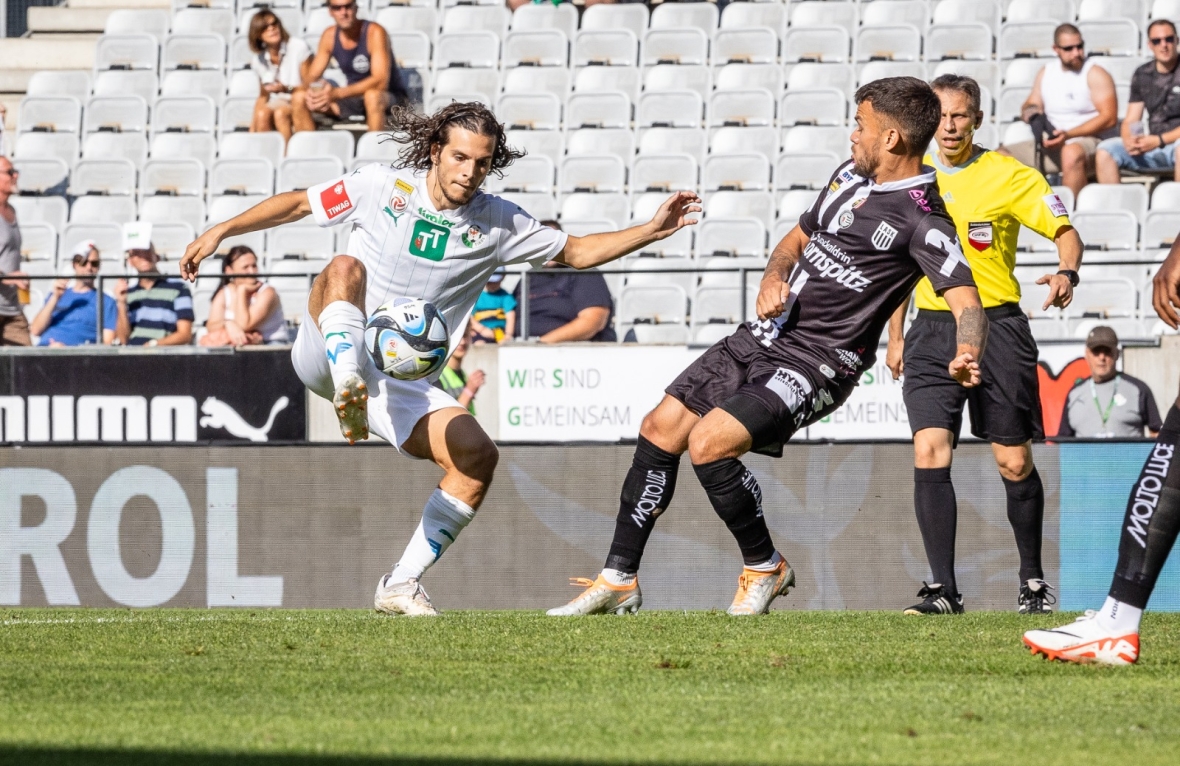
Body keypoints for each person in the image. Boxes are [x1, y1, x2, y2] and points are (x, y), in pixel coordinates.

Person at [178, 101, 701, 616]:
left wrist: (652, 230)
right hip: (329, 348)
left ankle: (399, 585)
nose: (470, 172)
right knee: (343, 266)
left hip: (395, 376)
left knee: (477, 458)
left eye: (481, 162)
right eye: (459, 158)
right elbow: (297, 203)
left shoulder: (498, 223)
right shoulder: (381, 186)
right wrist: (220, 230)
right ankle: (346, 384)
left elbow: (579, 252)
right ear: (434, 152)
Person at [548, 77, 986, 617]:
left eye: (860, 125)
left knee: (710, 443)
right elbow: (796, 240)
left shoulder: (923, 217)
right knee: (660, 427)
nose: (852, 135)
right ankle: (619, 578)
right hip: (763, 336)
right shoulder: (848, 176)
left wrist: (967, 352)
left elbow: (968, 302)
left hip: (820, 361)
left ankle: (765, 566)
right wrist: (771, 278)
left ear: (892, 138)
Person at [885, 75, 1085, 616]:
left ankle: (1033, 582)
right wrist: (896, 333)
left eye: (961, 115)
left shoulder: (1009, 176)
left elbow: (1066, 230)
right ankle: (943, 591)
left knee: (1013, 461)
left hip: (998, 326)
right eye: (942, 115)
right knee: (930, 449)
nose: (950, 126)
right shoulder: (909, 176)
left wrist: (1067, 270)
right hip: (931, 327)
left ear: (977, 119)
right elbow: (899, 264)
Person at [1023, 246, 1180, 665]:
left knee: (1169, 458)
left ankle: (1116, 623)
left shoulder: (1136, 390)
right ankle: (1116, 620)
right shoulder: (1078, 394)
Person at [998, 24, 1117, 197]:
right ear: (1056, 49)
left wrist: (1067, 135)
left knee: (1071, 152)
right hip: (1054, 142)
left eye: (1079, 46)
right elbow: (1031, 103)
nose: (1076, 52)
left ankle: (1066, 217)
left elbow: (1109, 118)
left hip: (1090, 141)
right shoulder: (1047, 72)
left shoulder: (1095, 73)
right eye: (1069, 48)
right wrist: (1033, 115)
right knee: (998, 156)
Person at [292, 1, 408, 133]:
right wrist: (316, 93)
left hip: (389, 97)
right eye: (337, 8)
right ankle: (308, 151)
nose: (343, 12)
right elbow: (311, 77)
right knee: (299, 98)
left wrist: (337, 93)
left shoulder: (374, 32)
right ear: (330, 11)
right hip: (352, 96)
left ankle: (374, 150)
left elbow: (381, 82)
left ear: (356, 8)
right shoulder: (329, 36)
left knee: (372, 97)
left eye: (347, 6)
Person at [1096, 20, 1180, 183]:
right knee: (1106, 151)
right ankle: (1116, 206)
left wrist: (1159, 140)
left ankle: (1176, 205)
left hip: (1173, 143)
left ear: (1177, 40)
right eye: (1157, 41)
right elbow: (1131, 119)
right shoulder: (1143, 74)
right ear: (1150, 45)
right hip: (1152, 144)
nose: (1164, 45)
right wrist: (1130, 141)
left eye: (1169, 39)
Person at [515, 221, 617, 343]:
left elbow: (593, 321)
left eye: (552, 241)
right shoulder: (527, 277)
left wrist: (541, 344)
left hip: (570, 351)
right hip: (520, 349)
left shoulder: (583, 272)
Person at [1057, 326, 1162, 438]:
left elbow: (1157, 433)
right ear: (1087, 354)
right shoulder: (1074, 393)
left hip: (1127, 456)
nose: (1102, 357)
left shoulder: (1138, 389)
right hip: (1085, 456)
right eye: (1096, 351)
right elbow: (1062, 442)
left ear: (1117, 354)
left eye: (1107, 351)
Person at [29, 241, 119, 346]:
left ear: (99, 267)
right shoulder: (57, 295)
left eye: (94, 263)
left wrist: (68, 351)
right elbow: (35, 330)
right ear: (74, 265)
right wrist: (55, 297)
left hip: (77, 357)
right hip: (44, 351)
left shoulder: (106, 302)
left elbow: (107, 343)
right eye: (84, 262)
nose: (89, 268)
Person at [199, 245, 289, 347]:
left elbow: (244, 325)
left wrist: (241, 291)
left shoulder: (268, 292)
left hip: (270, 346)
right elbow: (211, 325)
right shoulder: (224, 293)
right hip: (239, 345)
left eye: (254, 266)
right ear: (229, 271)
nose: (252, 271)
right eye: (245, 267)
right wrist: (228, 324)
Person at [248, 9, 312, 144]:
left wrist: (285, 88)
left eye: (274, 24)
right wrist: (252, 128)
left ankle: (285, 157)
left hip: (299, 99)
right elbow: (263, 96)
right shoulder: (259, 59)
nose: (271, 29)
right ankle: (265, 156)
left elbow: (309, 85)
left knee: (280, 114)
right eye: (265, 27)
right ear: (258, 34)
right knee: (262, 114)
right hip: (280, 100)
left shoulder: (298, 47)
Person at [116, 243, 194, 347]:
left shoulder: (179, 288)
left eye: (146, 251)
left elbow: (185, 335)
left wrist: (154, 344)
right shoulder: (128, 293)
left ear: (156, 257)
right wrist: (121, 303)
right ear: (130, 261)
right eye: (136, 253)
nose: (143, 256)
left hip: (162, 355)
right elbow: (123, 340)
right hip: (133, 355)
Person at [0, 155, 30, 346]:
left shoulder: (11, 210)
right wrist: (8, 277)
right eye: (9, 172)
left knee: (28, 368)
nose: (15, 175)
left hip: (11, 308)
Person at [433, 329, 483, 415]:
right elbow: (447, 419)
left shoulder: (463, 374)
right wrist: (469, 392)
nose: (462, 342)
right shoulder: (436, 377)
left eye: (465, 335)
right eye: (458, 336)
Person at [470, 267, 515, 343]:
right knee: (479, 344)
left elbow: (510, 317)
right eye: (490, 282)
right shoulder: (476, 296)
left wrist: (508, 335)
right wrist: (482, 329)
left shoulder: (506, 297)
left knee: (504, 344)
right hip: (480, 332)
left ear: (503, 278)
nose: (493, 284)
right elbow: (470, 318)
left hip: (500, 332)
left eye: (496, 281)